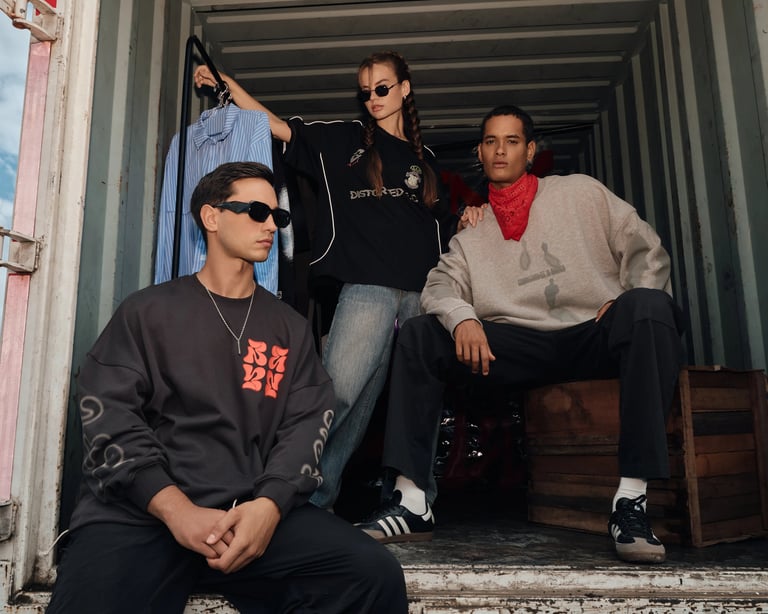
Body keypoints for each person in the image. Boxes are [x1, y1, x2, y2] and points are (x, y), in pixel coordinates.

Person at [46, 162, 408, 613]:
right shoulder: (148, 312)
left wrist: (269, 507)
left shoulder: (290, 329)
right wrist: (177, 510)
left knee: (372, 575)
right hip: (143, 515)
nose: (271, 225)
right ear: (211, 217)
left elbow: (306, 424)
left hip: (248, 511)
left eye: (278, 216)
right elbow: (109, 414)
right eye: (257, 211)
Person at [356, 105, 684, 564]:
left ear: (530, 151)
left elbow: (645, 247)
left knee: (651, 306)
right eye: (491, 141)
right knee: (420, 335)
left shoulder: (580, 192)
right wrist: (463, 318)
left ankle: (630, 500)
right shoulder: (471, 232)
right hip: (515, 347)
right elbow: (440, 285)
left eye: (511, 141)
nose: (500, 150)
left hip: (591, 332)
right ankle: (412, 503)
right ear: (479, 153)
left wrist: (629, 296)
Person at [194, 52, 482, 511]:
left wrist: (468, 219)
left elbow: (442, 228)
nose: (373, 99)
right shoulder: (342, 140)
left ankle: (412, 503)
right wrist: (227, 83)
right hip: (368, 288)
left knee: (418, 401)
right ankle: (302, 500)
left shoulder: (425, 159)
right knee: (339, 397)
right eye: (366, 92)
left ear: (405, 89)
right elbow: (274, 125)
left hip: (424, 293)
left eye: (382, 89)